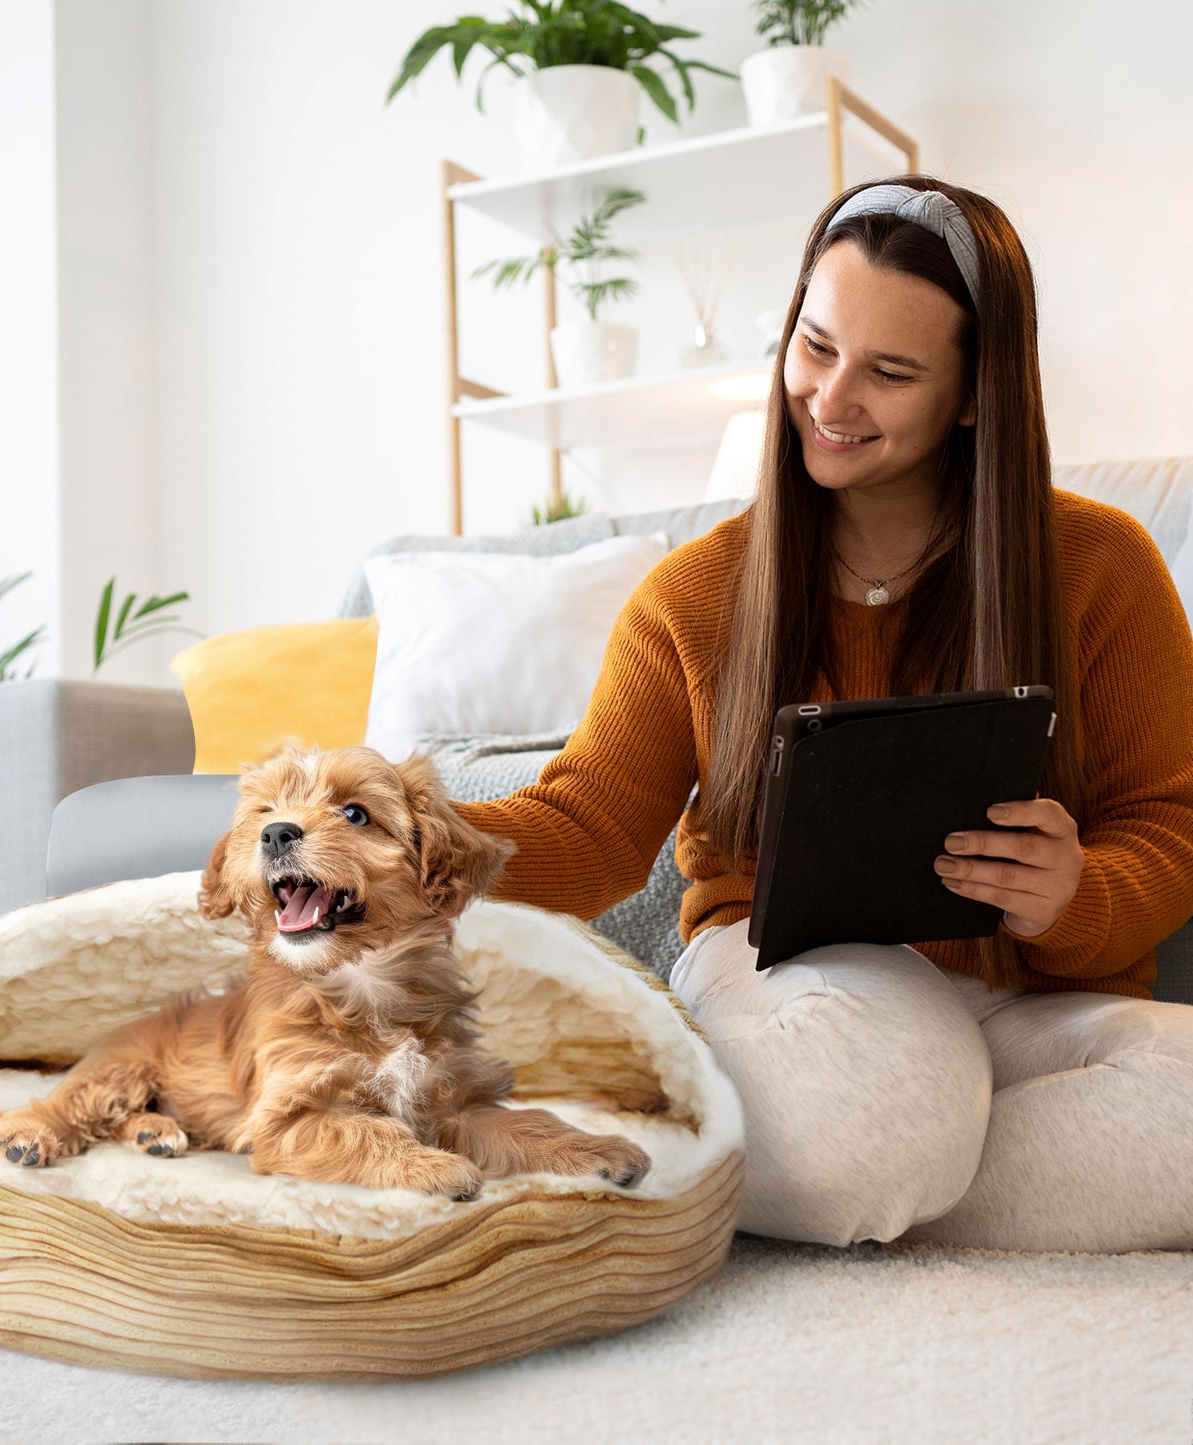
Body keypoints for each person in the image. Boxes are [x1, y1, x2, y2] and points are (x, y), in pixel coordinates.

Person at [454, 176, 1193, 1254]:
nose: (830, 399)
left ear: (974, 394)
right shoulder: (697, 592)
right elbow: (592, 823)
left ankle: (827, 1173)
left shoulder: (1098, 565)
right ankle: (844, 1149)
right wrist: (406, 844)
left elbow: (1166, 825)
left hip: (1012, 1003)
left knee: (946, 1118)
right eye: (813, 346)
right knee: (878, 1103)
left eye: (889, 373)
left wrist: (1077, 892)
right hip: (785, 988)